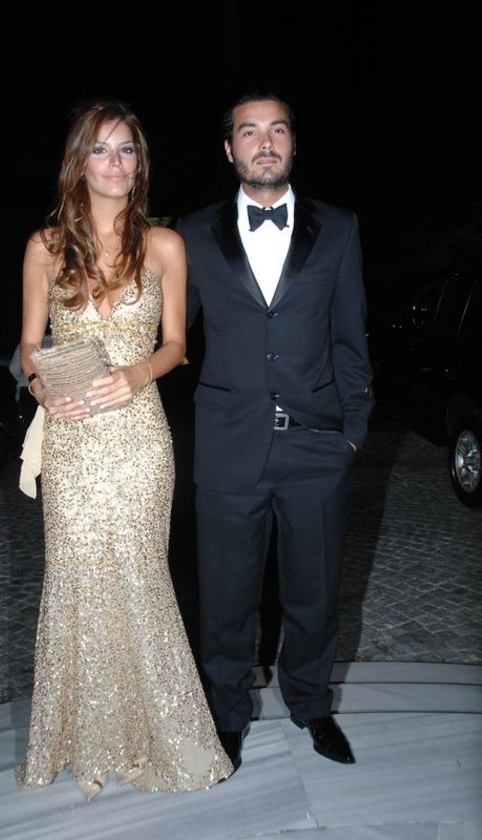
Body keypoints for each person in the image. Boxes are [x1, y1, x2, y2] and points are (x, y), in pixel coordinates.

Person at [15, 98, 232, 800]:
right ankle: (90, 741)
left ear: (140, 164)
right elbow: (29, 345)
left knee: (141, 579)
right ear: (78, 162)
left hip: (140, 438)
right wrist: (44, 388)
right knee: (77, 579)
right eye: (101, 149)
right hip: (73, 438)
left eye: (127, 150)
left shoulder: (165, 245)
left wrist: (136, 375)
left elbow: (177, 344)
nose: (115, 162)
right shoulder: (45, 247)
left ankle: (152, 738)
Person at [176, 91, 373, 773]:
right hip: (228, 446)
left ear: (293, 143)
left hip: (318, 446)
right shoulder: (191, 233)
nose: (265, 143)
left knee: (315, 594)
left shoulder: (339, 228)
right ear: (228, 148)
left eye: (277, 130)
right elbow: (166, 336)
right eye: (249, 132)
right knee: (225, 598)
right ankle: (228, 715)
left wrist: (352, 433)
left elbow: (351, 339)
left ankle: (312, 705)